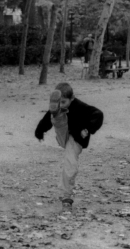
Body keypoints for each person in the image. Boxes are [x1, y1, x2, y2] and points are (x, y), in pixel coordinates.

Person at [35, 83, 104, 212]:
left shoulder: (79, 106)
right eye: (59, 102)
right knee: (54, 115)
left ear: (72, 99)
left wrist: (88, 128)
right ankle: (57, 115)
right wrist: (39, 131)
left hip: (75, 138)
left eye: (64, 102)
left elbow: (98, 114)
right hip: (63, 133)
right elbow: (46, 119)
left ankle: (66, 196)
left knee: (70, 163)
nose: (61, 104)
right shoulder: (58, 107)